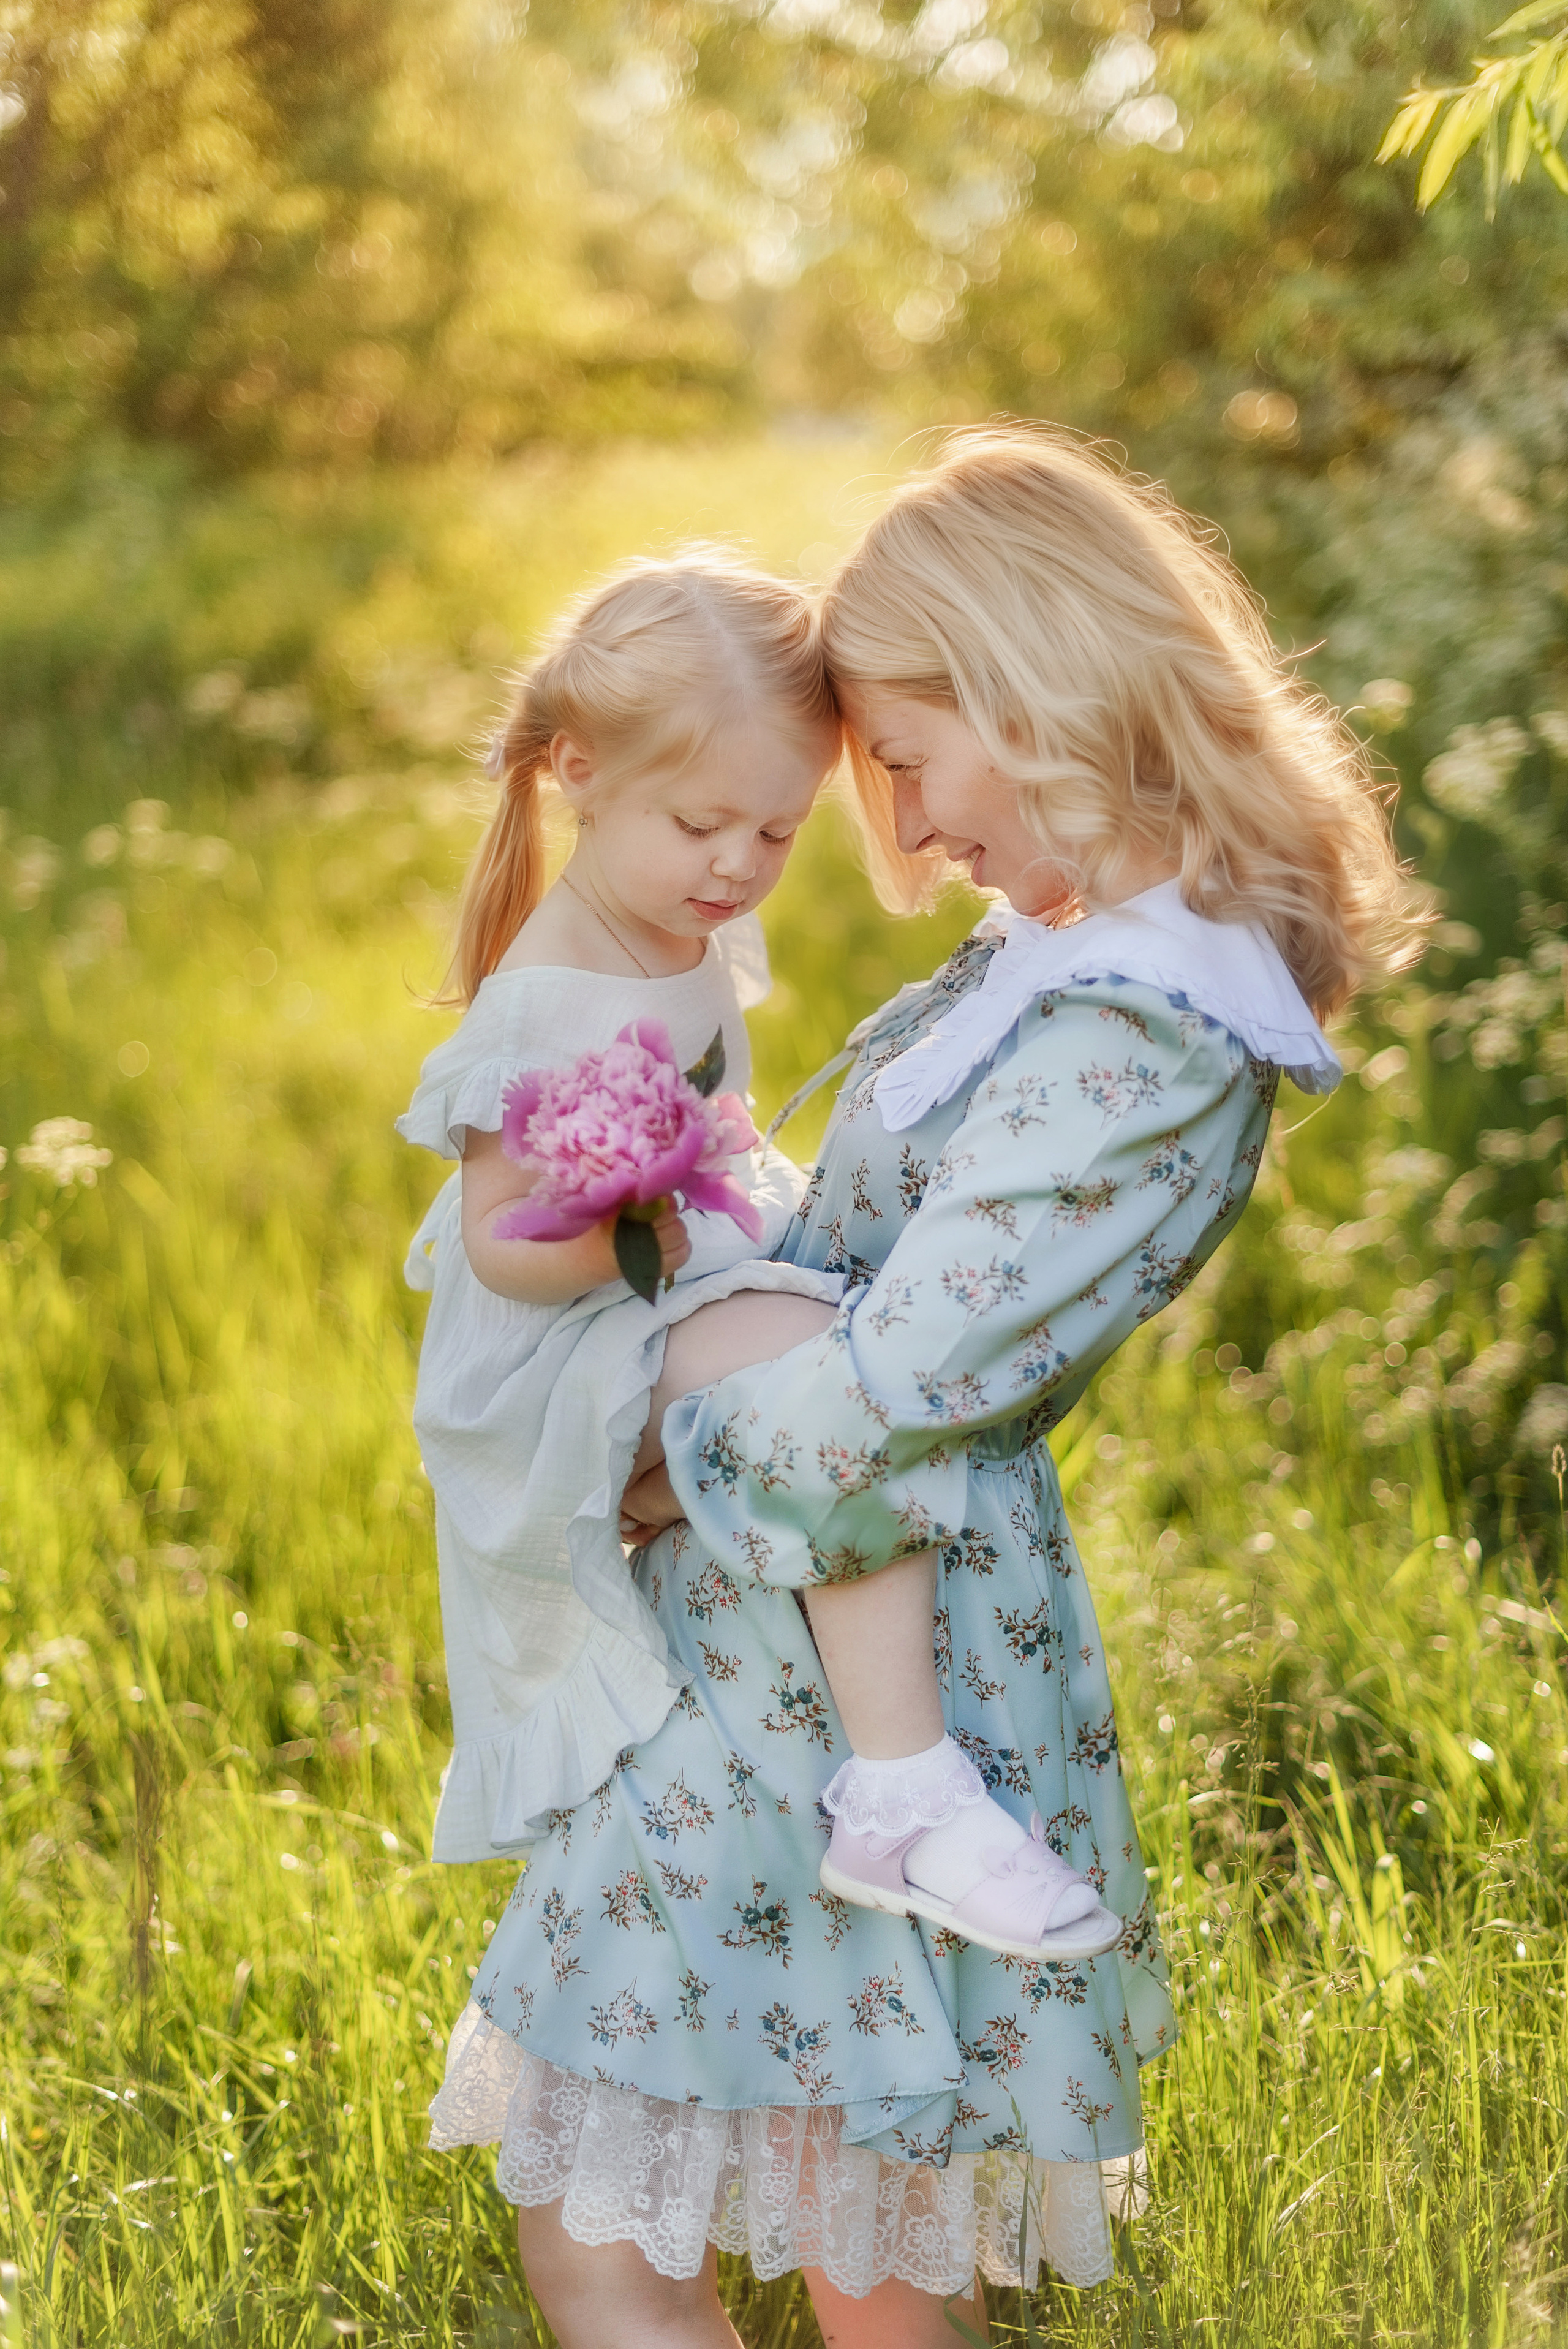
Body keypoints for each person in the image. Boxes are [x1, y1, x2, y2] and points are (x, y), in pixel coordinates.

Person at [428, 425, 1415, 2349]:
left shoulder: (1156, 1027)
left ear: (1035, 689)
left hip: (853, 1652)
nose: (908, 814)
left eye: (906, 752)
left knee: (695, 2246)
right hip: (789, 1628)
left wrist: (617, 1454)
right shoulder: (1072, 954)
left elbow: (887, 1391)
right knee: (813, 2240)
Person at [396, 553, 848, 1861]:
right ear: (580, 773)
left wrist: (715, 1178)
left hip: (668, 1266)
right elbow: (496, 1248)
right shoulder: (541, 997)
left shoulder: (687, 929)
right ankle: (639, 1494)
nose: (737, 867)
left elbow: (721, 1116)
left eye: (776, 832)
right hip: (556, 1327)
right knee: (807, 1352)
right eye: (700, 824)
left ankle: (687, 1498)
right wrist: (624, 1222)